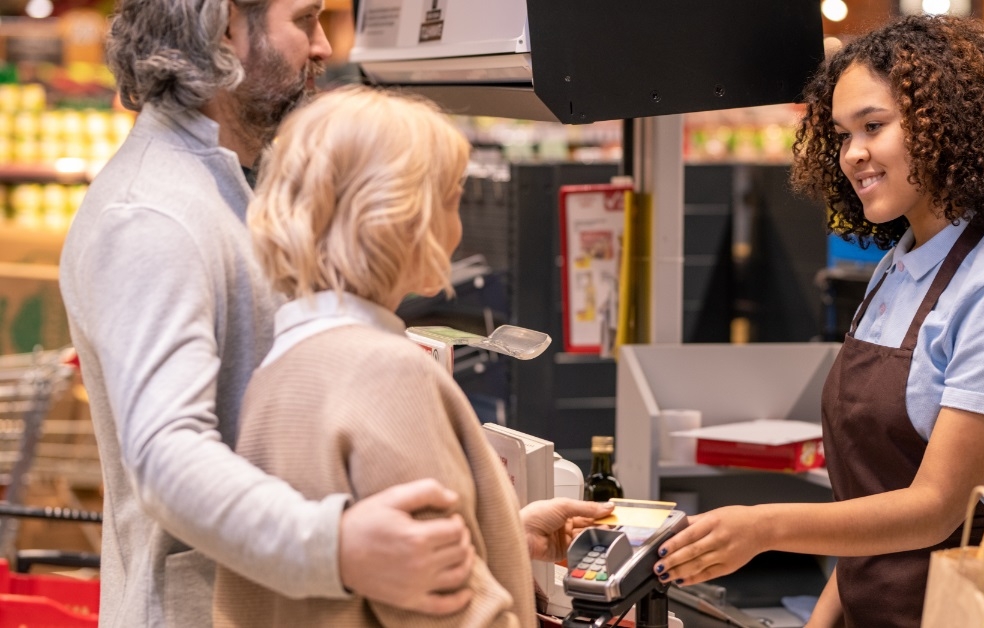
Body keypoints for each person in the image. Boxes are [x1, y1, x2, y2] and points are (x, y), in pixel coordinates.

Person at [58, 0, 482, 624]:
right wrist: (337, 546)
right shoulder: (151, 217)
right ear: (228, 26)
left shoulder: (228, 186)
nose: (324, 47)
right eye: (306, 20)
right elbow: (166, 454)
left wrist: (458, 533)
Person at [651, 15, 984, 628]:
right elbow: (868, 511)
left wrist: (764, 527)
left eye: (873, 127)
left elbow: (934, 509)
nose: (853, 154)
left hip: (975, 611)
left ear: (945, 122)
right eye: (842, 134)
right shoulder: (900, 266)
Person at [211, 85, 613, 626]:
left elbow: (372, 570)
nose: (458, 228)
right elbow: (446, 611)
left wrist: (502, 536)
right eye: (450, 201)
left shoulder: (285, 365)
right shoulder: (386, 372)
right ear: (401, 220)